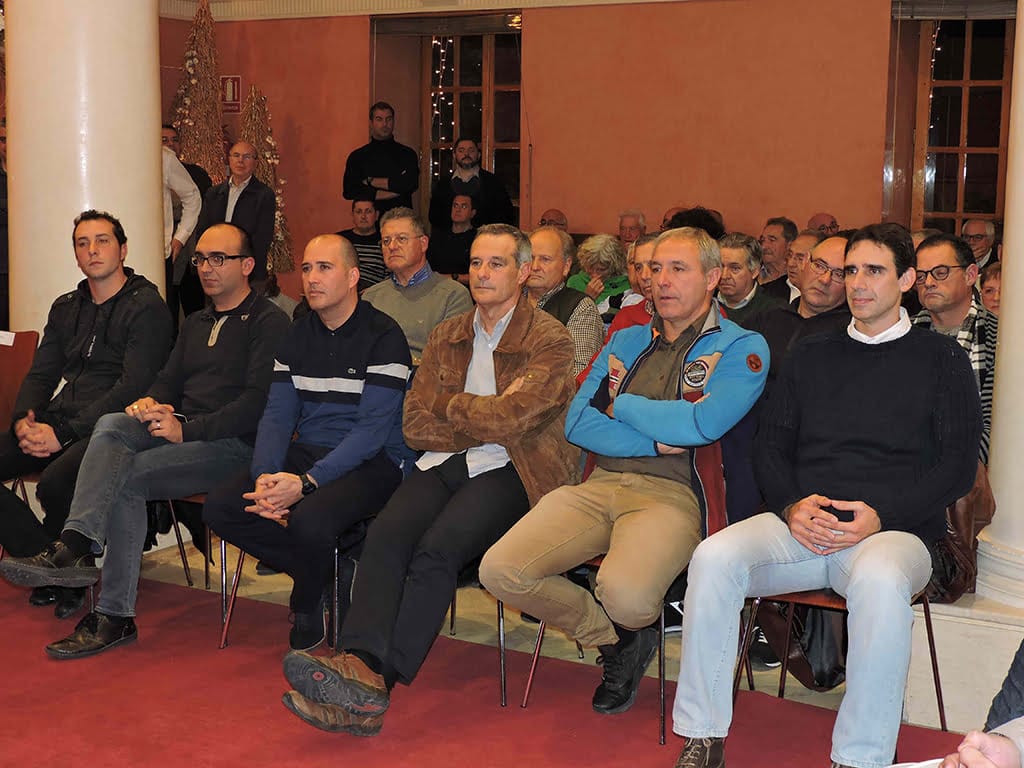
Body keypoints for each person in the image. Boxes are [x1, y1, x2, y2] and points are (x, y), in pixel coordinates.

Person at [671, 223, 981, 768]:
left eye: (874, 271)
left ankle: (858, 758)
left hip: (895, 533)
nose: (858, 283)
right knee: (714, 557)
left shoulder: (943, 360)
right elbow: (770, 446)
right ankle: (703, 735)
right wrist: (792, 506)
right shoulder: (813, 353)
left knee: (883, 581)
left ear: (907, 279)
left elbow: (956, 468)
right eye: (850, 271)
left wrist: (882, 515)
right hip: (805, 526)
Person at [279, 224, 579, 736]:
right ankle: (357, 661)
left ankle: (376, 679)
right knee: (386, 536)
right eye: (476, 263)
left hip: (516, 468)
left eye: (497, 263)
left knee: (438, 548)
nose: (482, 273)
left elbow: (516, 421)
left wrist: (452, 408)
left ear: (525, 272)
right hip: (443, 459)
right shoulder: (449, 333)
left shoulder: (550, 338)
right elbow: (414, 422)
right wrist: (476, 416)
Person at [482, 226, 769, 718]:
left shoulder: (744, 347)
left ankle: (630, 628)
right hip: (598, 485)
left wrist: (624, 405)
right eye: (655, 269)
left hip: (674, 495)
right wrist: (656, 437)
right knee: (500, 571)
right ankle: (615, 644)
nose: (662, 281)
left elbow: (703, 423)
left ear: (713, 278)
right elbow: (577, 421)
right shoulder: (626, 336)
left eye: (678, 269)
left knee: (626, 595)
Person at [0, 223, 290, 659]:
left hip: (234, 446)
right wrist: (152, 404)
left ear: (247, 265)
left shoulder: (269, 322)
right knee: (115, 423)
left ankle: (113, 613)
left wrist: (185, 428)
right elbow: (166, 383)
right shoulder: (196, 321)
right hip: (181, 435)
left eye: (219, 259)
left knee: (127, 478)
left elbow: (257, 405)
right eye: (200, 259)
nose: (206, 269)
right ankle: (76, 545)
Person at [203, 234, 413, 650]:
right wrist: (266, 477)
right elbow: (278, 416)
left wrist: (307, 483)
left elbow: (370, 434)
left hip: (375, 462)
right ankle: (329, 574)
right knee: (223, 507)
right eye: (306, 268)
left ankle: (305, 599)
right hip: (312, 449)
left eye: (324, 268)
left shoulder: (384, 336)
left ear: (353, 276)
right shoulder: (297, 336)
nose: (312, 278)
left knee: (309, 519)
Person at [0, 209, 172, 618]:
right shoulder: (67, 306)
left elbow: (132, 387)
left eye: (103, 241)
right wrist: (25, 420)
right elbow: (42, 372)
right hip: (61, 420)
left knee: (57, 482)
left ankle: (59, 565)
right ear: (76, 255)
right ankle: (51, 563)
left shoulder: (147, 307)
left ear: (123, 249)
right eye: (83, 243)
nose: (92, 250)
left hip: (116, 426)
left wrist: (66, 433)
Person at [913, 233, 997, 464]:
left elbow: (999, 426)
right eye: (921, 276)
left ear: (970, 275)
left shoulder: (997, 337)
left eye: (941, 272)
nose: (928, 282)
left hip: (976, 470)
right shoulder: (902, 334)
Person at [361, 207, 472, 366]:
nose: (392, 246)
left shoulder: (453, 295)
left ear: (423, 243)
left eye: (401, 239)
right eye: (386, 241)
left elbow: (450, 360)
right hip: (375, 381)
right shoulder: (371, 297)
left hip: (425, 383)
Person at [193, 141, 276, 292]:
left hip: (247, 271)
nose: (240, 161)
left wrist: (243, 266)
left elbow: (262, 239)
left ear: (255, 162)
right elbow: (203, 230)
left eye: (247, 157)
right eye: (236, 155)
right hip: (215, 267)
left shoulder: (264, 195)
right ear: (229, 159)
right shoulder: (214, 193)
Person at [526, 225, 604, 377]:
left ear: (566, 266)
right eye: (530, 258)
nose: (535, 267)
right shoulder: (508, 300)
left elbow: (577, 375)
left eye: (545, 259)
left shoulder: (580, 308)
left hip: (548, 396)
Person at [342, 101, 418, 215]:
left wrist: (369, 181)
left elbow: (410, 184)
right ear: (371, 123)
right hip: (368, 223)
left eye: (389, 119)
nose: (385, 124)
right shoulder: (358, 156)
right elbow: (349, 191)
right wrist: (393, 191)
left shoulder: (407, 154)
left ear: (393, 121)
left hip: (401, 221)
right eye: (379, 119)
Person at [428, 136, 513, 230]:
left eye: (471, 150)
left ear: (479, 155)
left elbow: (505, 215)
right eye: (461, 150)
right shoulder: (442, 185)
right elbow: (434, 216)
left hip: (483, 240)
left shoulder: (493, 183)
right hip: (450, 240)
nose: (466, 154)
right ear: (454, 155)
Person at [716, 232, 784, 326]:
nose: (724, 276)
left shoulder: (775, 311)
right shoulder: (704, 304)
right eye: (721, 266)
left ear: (754, 272)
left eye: (735, 268)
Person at [567, 234, 630, 322]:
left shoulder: (628, 284)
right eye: (590, 269)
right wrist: (587, 299)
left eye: (601, 269)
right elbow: (568, 320)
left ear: (614, 266)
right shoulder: (575, 282)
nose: (595, 275)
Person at [337, 196, 386, 292]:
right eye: (359, 212)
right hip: (345, 289)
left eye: (368, 211)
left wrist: (372, 290)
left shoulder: (386, 241)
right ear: (353, 215)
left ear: (376, 215)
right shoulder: (340, 240)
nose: (363, 216)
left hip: (374, 292)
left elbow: (391, 276)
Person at [426, 193, 476, 283]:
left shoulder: (477, 239)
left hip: (462, 289)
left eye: (463, 206)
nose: (458, 210)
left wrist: (453, 277)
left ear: (472, 213)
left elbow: (477, 276)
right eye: (455, 206)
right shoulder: (438, 236)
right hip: (435, 287)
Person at [757, 216, 797, 302]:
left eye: (772, 240)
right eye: (762, 240)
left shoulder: (796, 278)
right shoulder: (753, 273)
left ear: (790, 245)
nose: (763, 246)